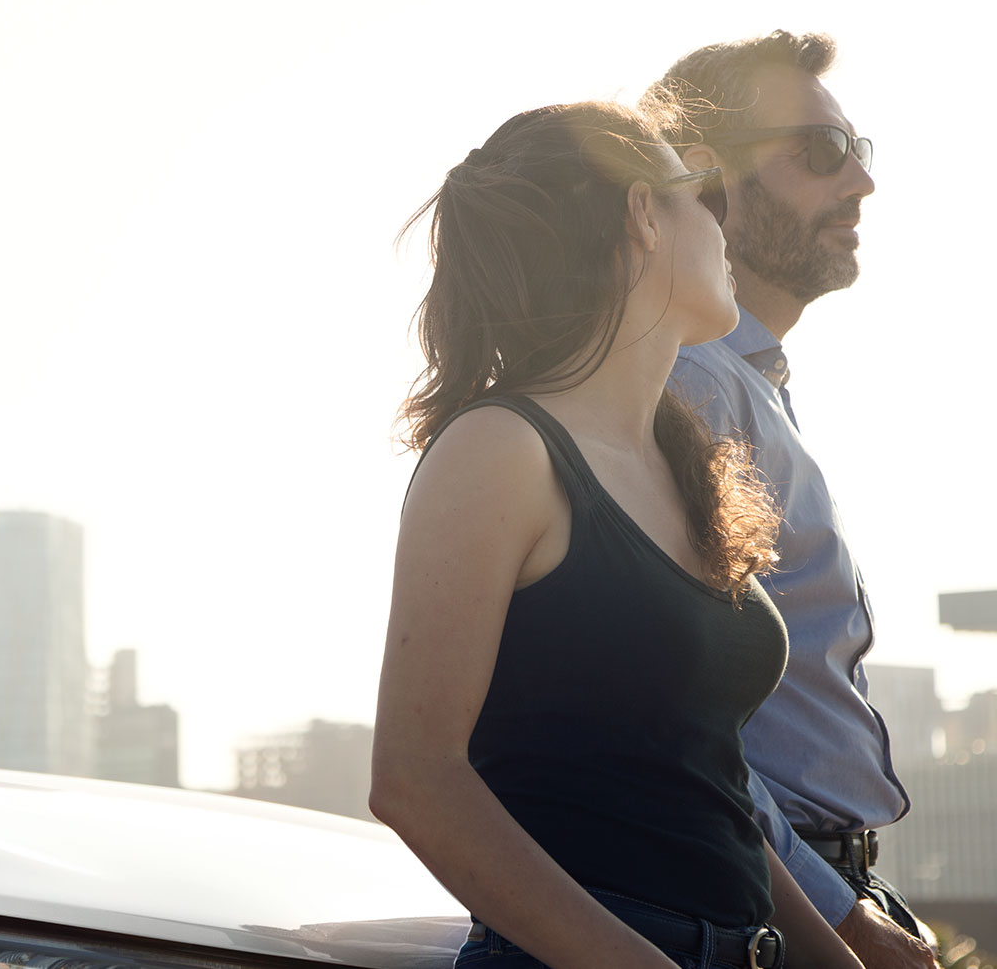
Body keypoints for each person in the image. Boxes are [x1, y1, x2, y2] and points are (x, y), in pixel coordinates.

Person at [368, 98, 863, 969]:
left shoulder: (689, 461)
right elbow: (416, 778)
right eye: (701, 195)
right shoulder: (500, 450)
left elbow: (716, 785)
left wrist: (835, 959)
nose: (723, 224)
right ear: (642, 213)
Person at [645, 32, 935, 969]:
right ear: (709, 180)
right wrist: (839, 925)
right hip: (763, 907)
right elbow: (676, 717)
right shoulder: (692, 384)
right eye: (819, 154)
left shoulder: (745, 379)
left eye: (858, 153)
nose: (860, 185)